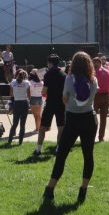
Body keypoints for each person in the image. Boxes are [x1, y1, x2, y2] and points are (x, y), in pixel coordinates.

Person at [42, 51, 98, 203]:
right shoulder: (94, 80)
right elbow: (92, 99)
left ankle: (50, 189)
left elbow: (65, 99)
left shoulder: (69, 78)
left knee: (62, 155)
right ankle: (83, 190)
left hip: (73, 119)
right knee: (88, 155)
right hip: (89, 119)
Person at [34, 54, 65, 156]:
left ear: (50, 63)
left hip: (50, 103)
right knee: (61, 127)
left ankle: (38, 149)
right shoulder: (63, 75)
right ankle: (59, 148)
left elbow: (44, 91)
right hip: (61, 103)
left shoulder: (47, 75)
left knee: (42, 127)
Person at [8, 69, 31, 145]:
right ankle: (20, 142)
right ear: (25, 76)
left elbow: (11, 95)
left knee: (14, 123)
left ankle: (9, 141)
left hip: (16, 103)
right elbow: (28, 95)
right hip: (24, 103)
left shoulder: (13, 82)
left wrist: (11, 104)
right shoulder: (27, 83)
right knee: (22, 124)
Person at [93, 57, 109, 142]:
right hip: (106, 96)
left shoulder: (93, 73)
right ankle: (101, 137)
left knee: (92, 118)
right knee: (103, 119)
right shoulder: (108, 72)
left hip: (96, 96)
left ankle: (91, 136)